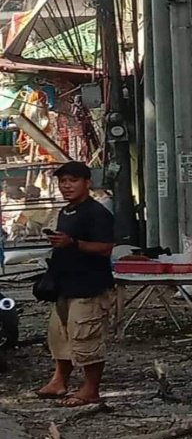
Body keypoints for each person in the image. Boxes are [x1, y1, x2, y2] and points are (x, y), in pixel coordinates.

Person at [37, 161, 115, 406]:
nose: (67, 186)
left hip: (89, 286)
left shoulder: (97, 213)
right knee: (60, 336)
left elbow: (105, 248)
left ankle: (91, 389)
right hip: (64, 285)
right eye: (63, 181)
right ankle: (59, 380)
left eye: (73, 180)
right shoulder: (66, 211)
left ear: (87, 183)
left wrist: (73, 244)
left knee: (85, 338)